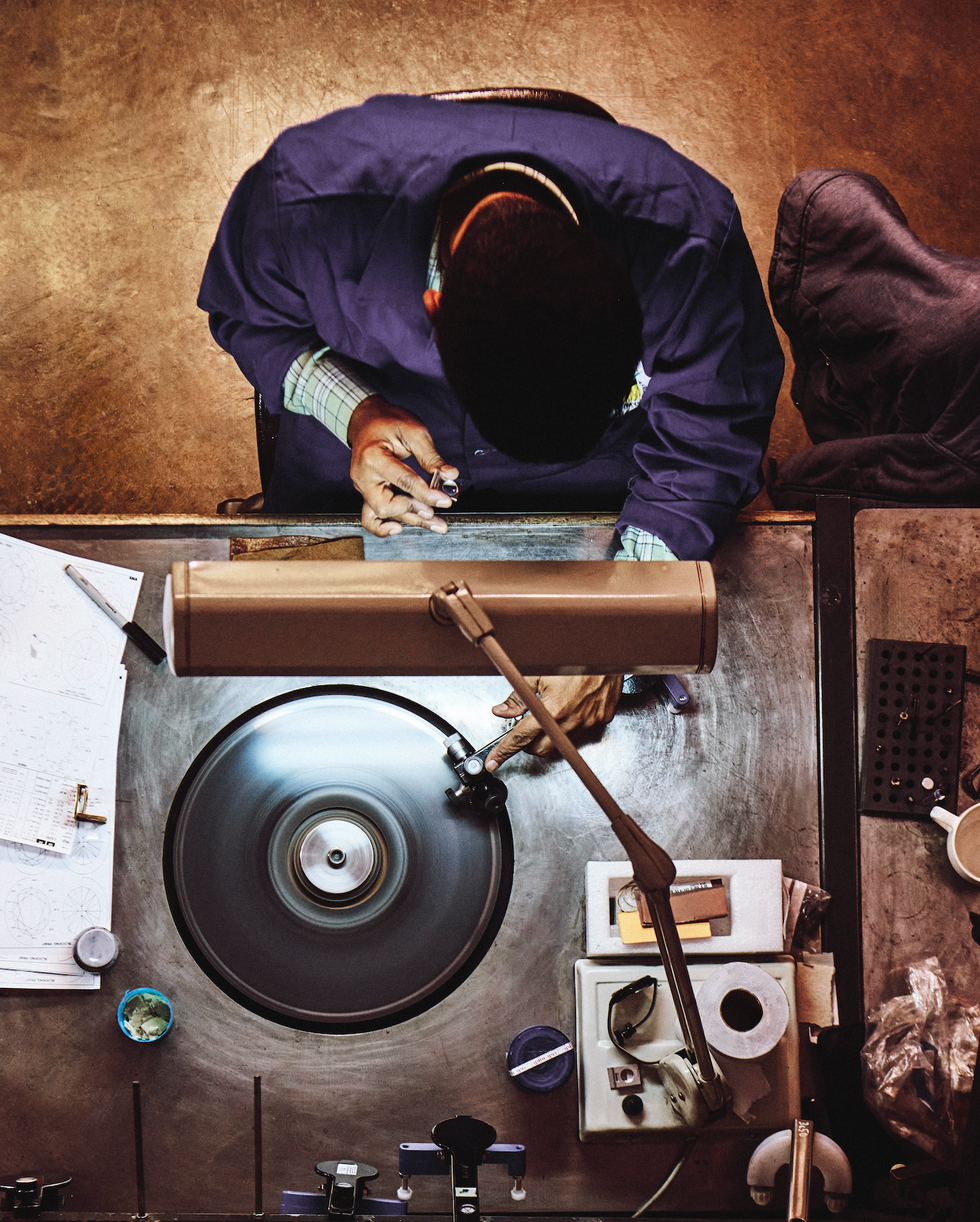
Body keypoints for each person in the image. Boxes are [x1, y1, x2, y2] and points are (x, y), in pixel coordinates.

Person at [199, 93, 783, 769]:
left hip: (594, 487)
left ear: (628, 300)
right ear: (433, 308)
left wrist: (620, 629)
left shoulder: (689, 242)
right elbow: (250, 320)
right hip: (361, 473)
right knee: (290, 685)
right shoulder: (300, 202)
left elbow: (710, 430)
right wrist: (356, 412)